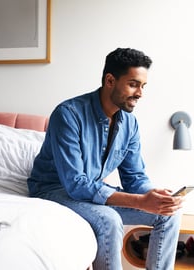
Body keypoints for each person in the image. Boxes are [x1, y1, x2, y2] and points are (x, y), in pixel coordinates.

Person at [27, 48, 183, 270]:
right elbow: (75, 184)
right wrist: (140, 201)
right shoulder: (68, 114)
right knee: (109, 219)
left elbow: (135, 177)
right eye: (133, 84)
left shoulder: (130, 124)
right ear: (110, 80)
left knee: (169, 214)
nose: (140, 93)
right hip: (53, 190)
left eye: (143, 86)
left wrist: (155, 196)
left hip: (89, 190)